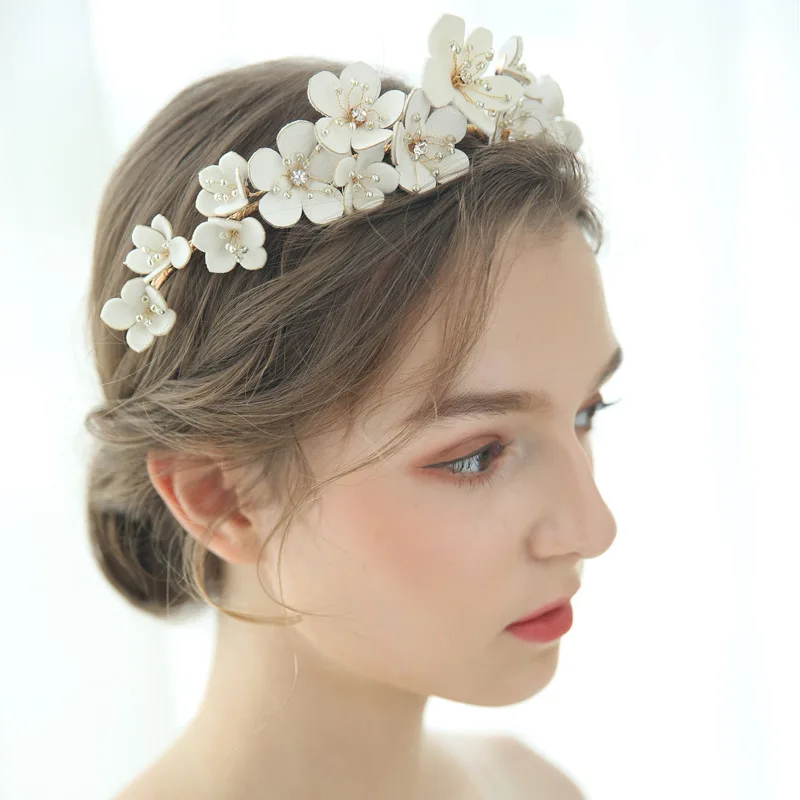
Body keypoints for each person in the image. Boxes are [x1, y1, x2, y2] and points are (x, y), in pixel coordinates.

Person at [85, 13, 622, 799]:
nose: (592, 529)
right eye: (476, 455)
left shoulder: (532, 787)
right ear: (221, 497)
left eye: (586, 414)